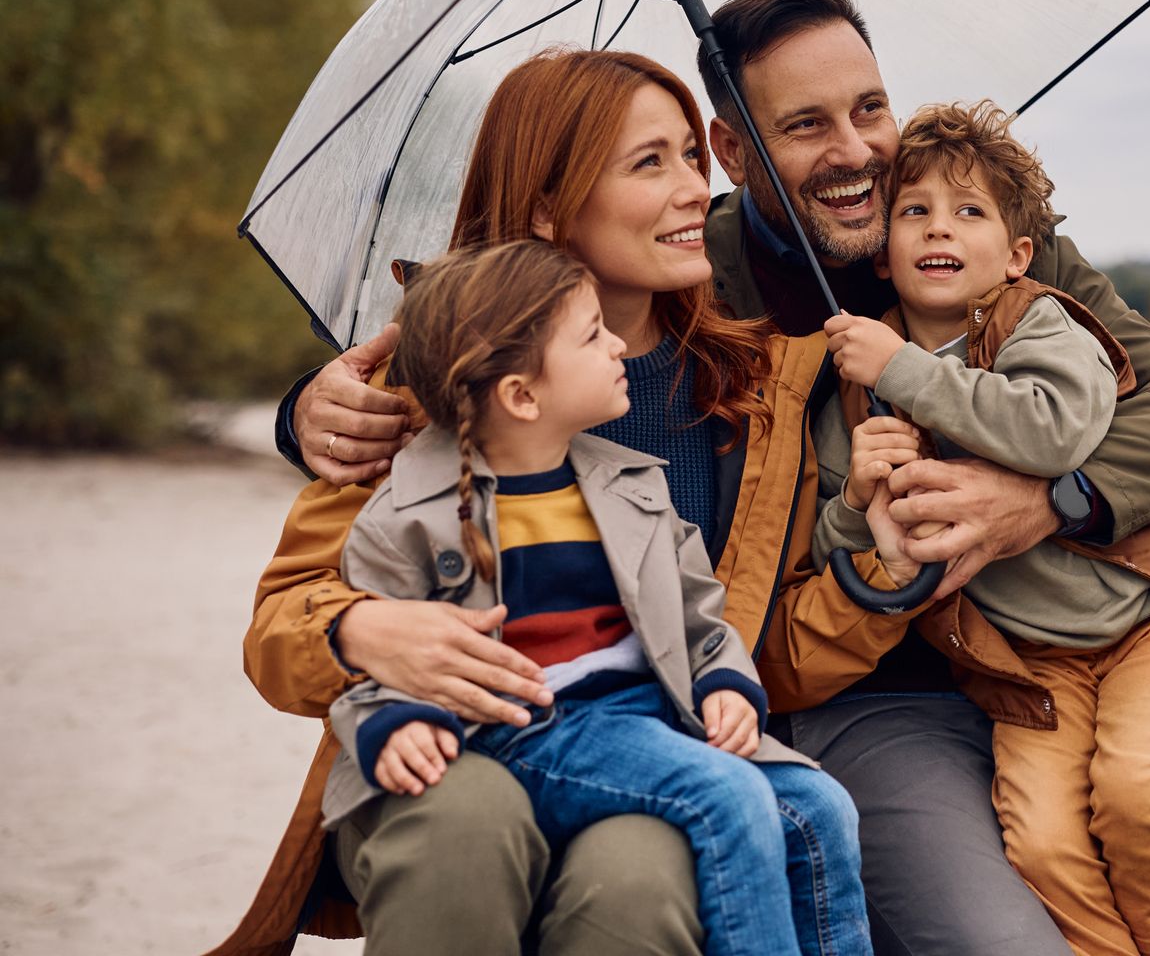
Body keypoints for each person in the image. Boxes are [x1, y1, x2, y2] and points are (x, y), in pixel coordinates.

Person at [276, 0, 1150, 956]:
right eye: (804, 125)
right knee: (984, 926)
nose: (858, 150)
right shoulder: (701, 284)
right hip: (869, 692)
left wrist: (1036, 502)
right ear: (734, 149)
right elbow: (492, 358)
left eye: (869, 108)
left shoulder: (980, 229)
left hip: (1061, 639)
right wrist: (304, 413)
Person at [211, 50, 925, 956]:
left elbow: (751, 645)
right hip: (453, 742)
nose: (688, 191)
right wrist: (359, 631)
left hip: (652, 751)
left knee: (638, 878)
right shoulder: (431, 382)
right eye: (647, 164)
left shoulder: (756, 390)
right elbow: (278, 631)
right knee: (461, 821)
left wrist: (880, 567)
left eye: (690, 159)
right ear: (549, 208)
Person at [325, 239, 869, 956]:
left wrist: (725, 682)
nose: (618, 345)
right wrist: (395, 722)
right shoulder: (409, 515)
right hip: (530, 734)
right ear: (522, 396)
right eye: (591, 336)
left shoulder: (632, 485)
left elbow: (699, 618)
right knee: (729, 800)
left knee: (820, 809)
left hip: (650, 720)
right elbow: (376, 667)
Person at [815, 101, 1150, 956]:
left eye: (968, 212)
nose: (939, 228)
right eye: (915, 212)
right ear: (884, 249)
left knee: (1139, 793)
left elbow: (1049, 432)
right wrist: (855, 493)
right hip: (1031, 664)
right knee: (1043, 842)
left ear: (1017, 254)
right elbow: (844, 554)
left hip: (1147, 624)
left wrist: (906, 370)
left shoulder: (1041, 323)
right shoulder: (858, 384)